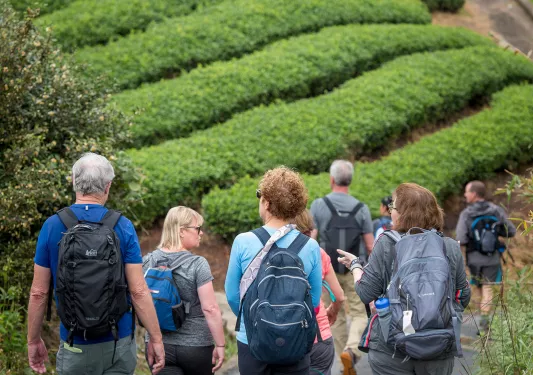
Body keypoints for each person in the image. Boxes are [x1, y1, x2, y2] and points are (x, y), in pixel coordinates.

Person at [27, 153, 165, 375]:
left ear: (73, 182)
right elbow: (138, 291)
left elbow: (38, 293)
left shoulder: (52, 226)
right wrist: (156, 338)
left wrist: (33, 341)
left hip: (75, 343)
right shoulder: (123, 226)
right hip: (117, 343)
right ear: (108, 186)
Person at [338, 183, 471, 375]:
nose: (391, 211)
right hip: (439, 348)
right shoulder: (448, 246)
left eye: (394, 207)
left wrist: (355, 266)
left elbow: (366, 292)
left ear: (403, 213)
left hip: (392, 348)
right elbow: (463, 296)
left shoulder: (386, 242)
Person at [225, 166, 322, 375]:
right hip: (296, 338)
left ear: (266, 202)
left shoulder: (243, 241)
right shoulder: (311, 246)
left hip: (252, 339)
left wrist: (256, 320)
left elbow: (233, 296)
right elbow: (313, 300)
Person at [142, 206, 225, 374]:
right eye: (197, 228)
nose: (201, 233)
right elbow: (210, 308)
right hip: (196, 346)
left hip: (158, 345)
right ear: (181, 231)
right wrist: (221, 344)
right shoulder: (197, 264)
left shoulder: (148, 261)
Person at [310, 160, 374, 375]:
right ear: (350, 180)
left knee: (332, 316)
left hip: (327, 271)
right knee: (360, 314)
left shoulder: (319, 205)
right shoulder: (362, 208)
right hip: (355, 269)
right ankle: (352, 350)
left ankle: (342, 362)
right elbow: (370, 245)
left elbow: (311, 240)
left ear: (331, 179)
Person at [455, 180, 516, 332]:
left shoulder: (466, 214)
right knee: (489, 289)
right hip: (492, 258)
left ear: (474, 194)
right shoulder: (495, 210)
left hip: (473, 259)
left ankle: (483, 321)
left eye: (467, 192)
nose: (465, 194)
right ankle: (485, 321)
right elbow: (511, 231)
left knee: (478, 288)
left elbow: (461, 238)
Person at [293, 210, 345, 375]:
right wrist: (333, 311)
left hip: (284, 337)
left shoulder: (272, 251)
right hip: (318, 336)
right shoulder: (317, 251)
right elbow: (339, 296)